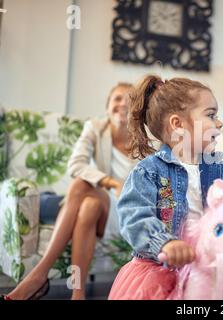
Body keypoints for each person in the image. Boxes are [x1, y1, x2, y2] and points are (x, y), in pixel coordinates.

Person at [107, 75, 223, 300]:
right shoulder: (148, 171)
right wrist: (164, 242)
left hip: (207, 269)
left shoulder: (221, 169)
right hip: (160, 272)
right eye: (211, 115)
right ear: (177, 124)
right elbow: (133, 216)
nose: (219, 123)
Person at [2, 82, 138, 300]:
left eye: (130, 99)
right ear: (107, 107)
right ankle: (78, 292)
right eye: (117, 99)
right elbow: (76, 165)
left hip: (128, 212)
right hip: (103, 203)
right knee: (89, 206)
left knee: (81, 188)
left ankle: (38, 276)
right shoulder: (95, 128)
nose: (123, 104)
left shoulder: (144, 140)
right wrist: (112, 182)